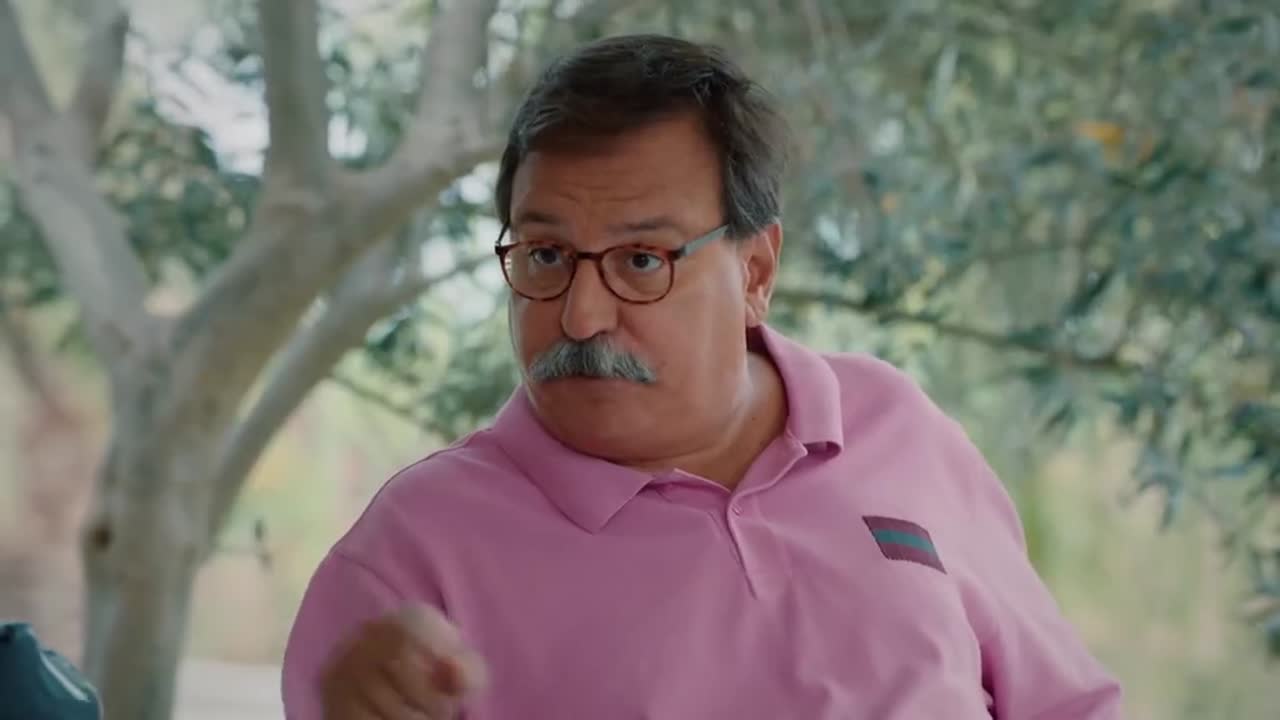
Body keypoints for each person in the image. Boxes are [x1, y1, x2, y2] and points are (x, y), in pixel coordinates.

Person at [282, 33, 1123, 719]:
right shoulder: (412, 554)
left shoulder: (896, 425)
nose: (580, 316)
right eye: (545, 255)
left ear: (756, 271)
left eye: (641, 260)